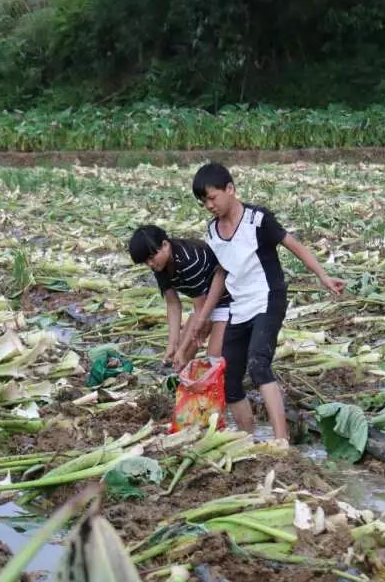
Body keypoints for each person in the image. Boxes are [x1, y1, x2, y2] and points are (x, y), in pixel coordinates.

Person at [186, 163, 344, 442]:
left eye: (212, 197)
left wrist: (324, 276)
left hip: (268, 297)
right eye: (203, 201)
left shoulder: (258, 220)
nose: (209, 205)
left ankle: (281, 442)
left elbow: (293, 245)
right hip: (239, 306)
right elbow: (222, 272)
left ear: (230, 190)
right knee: (229, 378)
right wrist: (202, 317)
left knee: (259, 363)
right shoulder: (212, 232)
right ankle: (249, 438)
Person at [128, 225, 231, 371]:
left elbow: (201, 310)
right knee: (179, 357)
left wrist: (182, 349)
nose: (150, 264)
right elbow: (173, 304)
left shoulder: (188, 260)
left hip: (226, 300)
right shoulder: (159, 266)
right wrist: (173, 344)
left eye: (151, 258)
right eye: (146, 262)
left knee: (214, 361)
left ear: (165, 245)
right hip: (203, 303)